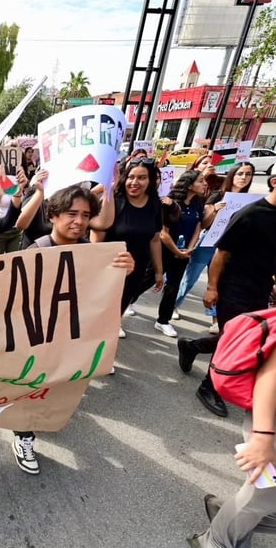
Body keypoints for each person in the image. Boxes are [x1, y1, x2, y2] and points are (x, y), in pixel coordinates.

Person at [12, 184, 135, 475]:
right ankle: (23, 435)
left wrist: (123, 271)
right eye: (71, 213)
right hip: (37, 340)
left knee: (59, 387)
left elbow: (101, 299)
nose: (78, 221)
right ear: (53, 215)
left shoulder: (95, 255)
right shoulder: (37, 250)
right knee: (32, 388)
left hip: (71, 340)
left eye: (84, 215)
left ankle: (46, 419)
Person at [177, 182, 276, 418]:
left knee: (248, 337)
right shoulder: (251, 214)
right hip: (233, 285)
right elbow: (221, 254)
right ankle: (209, 387)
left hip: (260, 288)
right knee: (234, 338)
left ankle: (192, 346)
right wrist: (211, 288)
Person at [187, 346, 276, 548]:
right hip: (270, 423)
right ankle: (215, 541)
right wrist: (263, 436)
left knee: (264, 500)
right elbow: (271, 375)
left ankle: (230, 514)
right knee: (266, 495)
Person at [175, 162, 254, 334]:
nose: (243, 178)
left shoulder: (250, 200)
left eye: (248, 174)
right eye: (240, 173)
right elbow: (204, 223)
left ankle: (215, 319)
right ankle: (174, 304)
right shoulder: (218, 195)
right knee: (190, 278)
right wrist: (214, 211)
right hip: (209, 242)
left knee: (218, 282)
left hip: (230, 247)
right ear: (233, 175)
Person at [93, 158, 165, 338]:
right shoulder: (113, 201)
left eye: (142, 178)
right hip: (108, 269)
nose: (134, 182)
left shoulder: (155, 205)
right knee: (98, 313)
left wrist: (158, 271)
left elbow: (155, 239)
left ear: (151, 181)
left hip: (137, 270)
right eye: (131, 177)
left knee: (119, 310)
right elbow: (97, 238)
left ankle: (104, 349)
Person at [154, 170, 206, 338]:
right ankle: (124, 307)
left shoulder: (198, 202)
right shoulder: (172, 203)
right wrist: (177, 251)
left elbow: (199, 226)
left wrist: (188, 249)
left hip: (184, 253)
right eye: (201, 181)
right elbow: (163, 233)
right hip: (165, 251)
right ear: (189, 185)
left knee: (173, 287)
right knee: (146, 280)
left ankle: (163, 321)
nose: (204, 184)